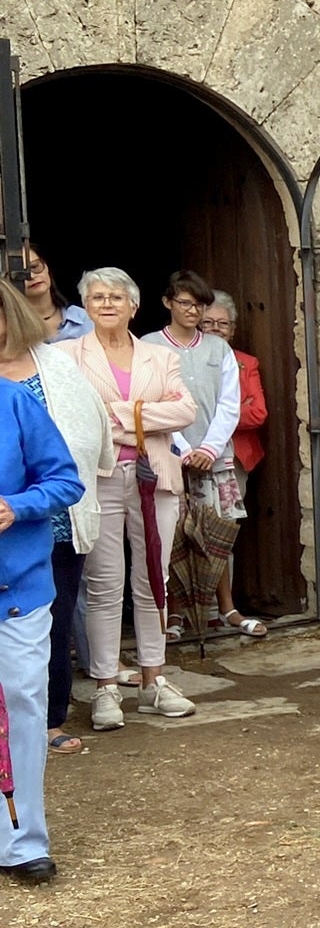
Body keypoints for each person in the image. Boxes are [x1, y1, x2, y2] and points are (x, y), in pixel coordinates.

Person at [64, 268, 198, 728]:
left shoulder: (158, 357)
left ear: (133, 307)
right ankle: (104, 687)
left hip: (153, 476)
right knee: (104, 584)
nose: (106, 304)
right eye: (97, 297)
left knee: (153, 580)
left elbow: (186, 409)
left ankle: (153, 680)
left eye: (116, 297)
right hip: (99, 478)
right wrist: (143, 417)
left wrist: (122, 414)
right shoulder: (66, 356)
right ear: (85, 306)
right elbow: (74, 417)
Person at [0, 282, 110, 761]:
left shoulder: (53, 365)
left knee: (56, 620)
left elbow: (87, 430)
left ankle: (48, 721)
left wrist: (21, 504)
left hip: (51, 519)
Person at [0, 368, 85, 882]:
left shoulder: (14, 402)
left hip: (18, 590)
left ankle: (22, 839)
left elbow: (65, 480)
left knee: (23, 701)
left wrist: (16, 505)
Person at [140, 271, 242, 642]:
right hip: (168, 457)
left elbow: (229, 404)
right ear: (168, 302)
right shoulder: (150, 346)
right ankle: (176, 612)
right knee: (173, 536)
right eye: (185, 303)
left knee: (216, 534)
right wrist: (183, 449)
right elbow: (151, 401)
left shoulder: (219, 349)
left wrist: (209, 449)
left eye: (199, 305)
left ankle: (225, 607)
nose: (193, 311)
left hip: (214, 457)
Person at [198, 294, 270, 637]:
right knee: (185, 532)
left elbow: (258, 413)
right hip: (188, 454)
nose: (214, 329)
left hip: (233, 458)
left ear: (233, 329)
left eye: (222, 323)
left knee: (223, 533)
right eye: (207, 322)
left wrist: (215, 416)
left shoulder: (245, 363)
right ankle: (189, 612)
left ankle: (220, 609)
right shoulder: (184, 357)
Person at [18, 243, 89, 342]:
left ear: (47, 267)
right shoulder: (10, 328)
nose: (32, 276)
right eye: (21, 273)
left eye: (35, 267)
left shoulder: (85, 319)